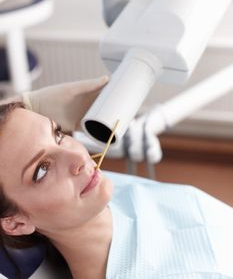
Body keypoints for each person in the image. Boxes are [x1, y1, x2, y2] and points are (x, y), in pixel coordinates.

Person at [1, 103, 233, 279]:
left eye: (58, 134)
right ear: (16, 223)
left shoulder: (97, 190)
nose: (79, 156)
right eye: (42, 170)